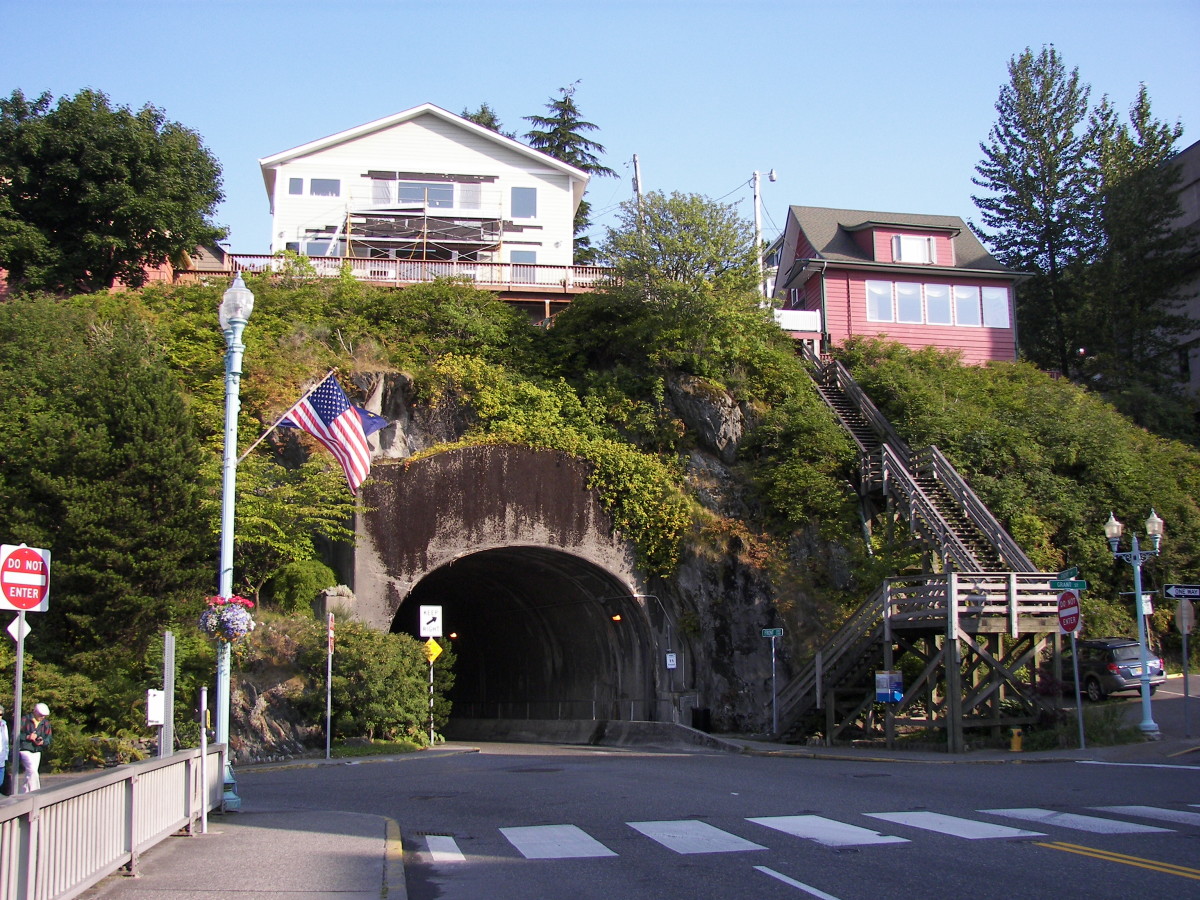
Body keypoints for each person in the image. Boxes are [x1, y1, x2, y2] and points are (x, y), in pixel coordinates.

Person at [19, 702, 52, 793]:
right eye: (41, 715)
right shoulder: (25, 720)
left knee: (30, 773)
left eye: (44, 715)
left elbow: (48, 738)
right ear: (35, 711)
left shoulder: (46, 723)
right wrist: (28, 737)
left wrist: (42, 742)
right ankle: (35, 792)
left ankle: (25, 792)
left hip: (37, 750)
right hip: (25, 749)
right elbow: (15, 735)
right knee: (32, 771)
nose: (43, 717)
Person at [0, 704, 9, 794]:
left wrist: (6, 754)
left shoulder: (3, 724)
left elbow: (5, 741)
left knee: (1, 781)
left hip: (1, 756)